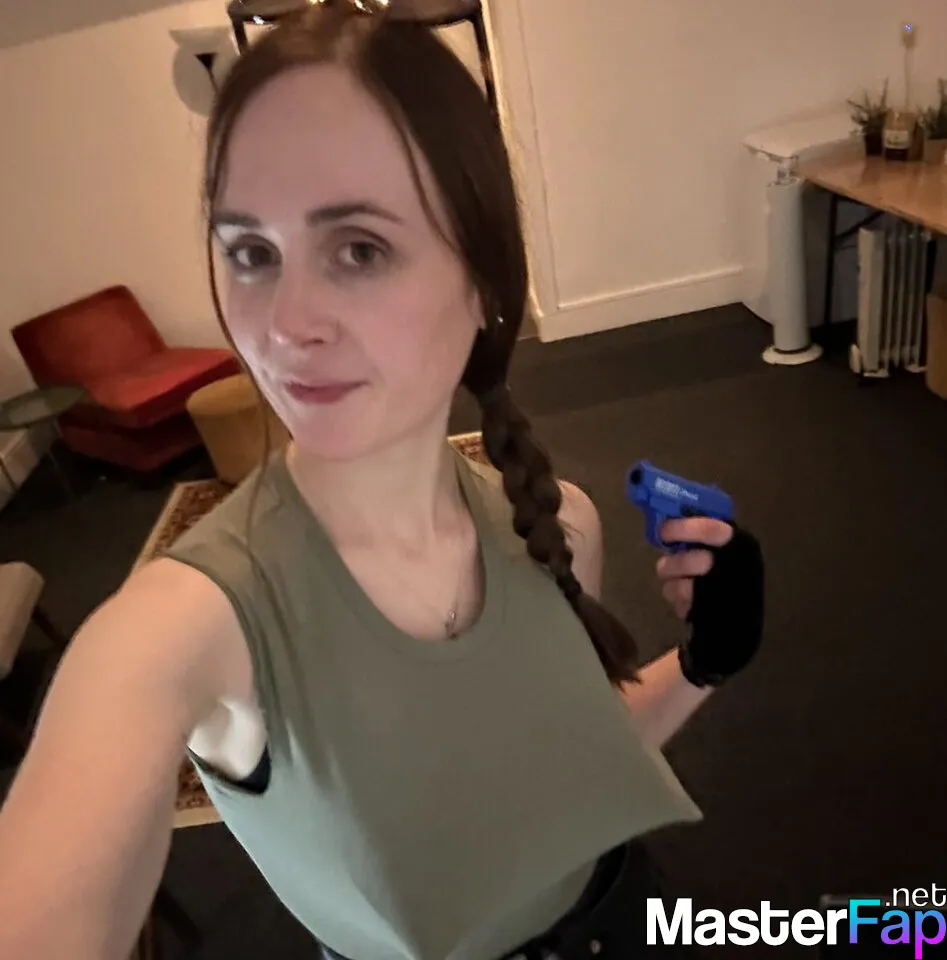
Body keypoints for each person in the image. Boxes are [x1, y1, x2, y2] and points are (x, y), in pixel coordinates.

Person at [0, 4, 765, 958]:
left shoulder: (558, 526)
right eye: (251, 253)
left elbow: (573, 771)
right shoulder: (186, 626)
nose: (285, 324)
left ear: (484, 284)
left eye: (358, 249)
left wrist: (705, 660)